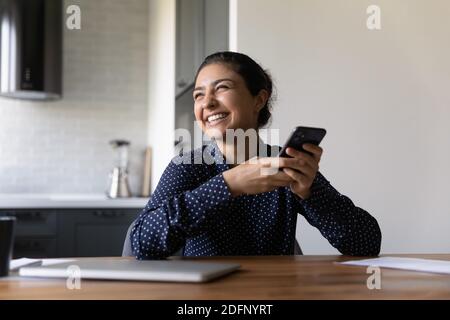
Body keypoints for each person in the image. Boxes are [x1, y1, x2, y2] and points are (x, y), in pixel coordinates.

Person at [131, 51, 381, 259]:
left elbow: (366, 244)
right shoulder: (188, 166)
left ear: (259, 99)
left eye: (222, 88)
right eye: (198, 95)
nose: (207, 103)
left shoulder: (285, 165)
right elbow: (141, 244)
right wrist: (228, 185)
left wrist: (310, 194)